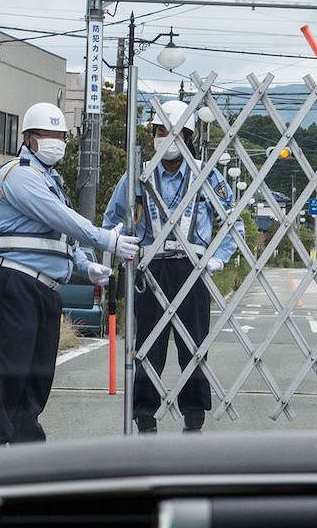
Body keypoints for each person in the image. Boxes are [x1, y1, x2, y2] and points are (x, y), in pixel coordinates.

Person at [0, 102, 139, 446]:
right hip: (15, 283)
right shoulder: (19, 175)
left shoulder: (51, 180)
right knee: (8, 371)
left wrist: (85, 265)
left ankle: (25, 448)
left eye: (61, 136)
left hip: (44, 289)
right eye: (48, 135)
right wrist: (106, 239)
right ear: (29, 139)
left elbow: (60, 235)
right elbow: (59, 218)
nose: (56, 142)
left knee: (37, 375)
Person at [103, 100, 245, 434]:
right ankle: (144, 415)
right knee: (149, 345)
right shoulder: (137, 174)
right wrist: (120, 248)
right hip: (150, 268)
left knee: (193, 345)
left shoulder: (207, 174)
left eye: (173, 131)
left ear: (188, 135)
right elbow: (112, 219)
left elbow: (232, 224)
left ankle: (194, 415)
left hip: (192, 268)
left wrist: (219, 256)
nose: (165, 137)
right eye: (159, 131)